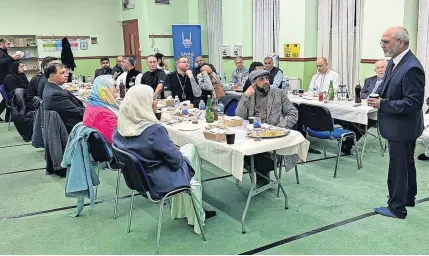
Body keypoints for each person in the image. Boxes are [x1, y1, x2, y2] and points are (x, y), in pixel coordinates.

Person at [112, 84, 215, 234]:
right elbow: (176, 162)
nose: (156, 102)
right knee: (191, 151)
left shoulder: (119, 130)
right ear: (142, 104)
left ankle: (189, 208)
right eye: (153, 99)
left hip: (139, 182)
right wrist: (174, 149)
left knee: (187, 151)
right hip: (159, 182)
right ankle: (196, 210)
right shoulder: (154, 131)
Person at [368, 26, 424, 219]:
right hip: (400, 126)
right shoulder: (394, 61)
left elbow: (413, 103)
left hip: (403, 127)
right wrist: (376, 97)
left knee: (398, 166)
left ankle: (396, 207)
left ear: (400, 42)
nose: (382, 45)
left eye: (386, 41)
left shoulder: (412, 67)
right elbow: (387, 87)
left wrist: (383, 104)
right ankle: (408, 197)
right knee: (407, 163)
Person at [236, 69, 298, 186]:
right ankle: (258, 172)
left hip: (272, 139)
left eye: (266, 79)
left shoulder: (279, 93)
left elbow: (293, 114)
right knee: (237, 149)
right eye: (261, 79)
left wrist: (278, 129)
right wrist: (245, 96)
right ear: (254, 83)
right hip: (253, 136)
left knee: (256, 156)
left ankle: (261, 173)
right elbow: (239, 116)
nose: (266, 82)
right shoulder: (250, 95)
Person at [43, 63, 85, 133]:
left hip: (71, 120)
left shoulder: (51, 87)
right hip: (74, 126)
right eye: (62, 73)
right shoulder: (55, 95)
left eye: (66, 72)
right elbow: (76, 112)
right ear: (52, 75)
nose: (67, 75)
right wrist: (93, 111)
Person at [83, 75, 119, 145]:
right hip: (113, 151)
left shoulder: (92, 104)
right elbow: (117, 141)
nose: (117, 88)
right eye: (114, 85)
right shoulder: (103, 114)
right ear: (104, 89)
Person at [0, 38, 22, 121]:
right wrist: (12, 58)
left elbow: (10, 63)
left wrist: (16, 58)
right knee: (9, 97)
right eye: (8, 44)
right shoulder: (1, 53)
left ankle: (8, 117)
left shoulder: (4, 53)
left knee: (7, 98)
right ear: (1, 44)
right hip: (3, 79)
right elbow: (1, 63)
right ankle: (8, 117)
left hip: (6, 79)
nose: (10, 46)